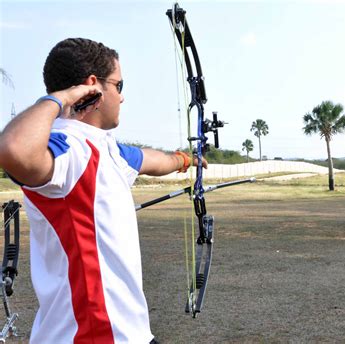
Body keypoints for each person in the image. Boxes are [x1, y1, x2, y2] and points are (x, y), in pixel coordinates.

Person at [0, 38, 204, 343]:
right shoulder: (69, 147)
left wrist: (186, 159)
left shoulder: (107, 149)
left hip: (129, 335)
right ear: (93, 87)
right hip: (90, 335)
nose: (121, 97)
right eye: (118, 86)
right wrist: (63, 98)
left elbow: (152, 159)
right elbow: (14, 149)